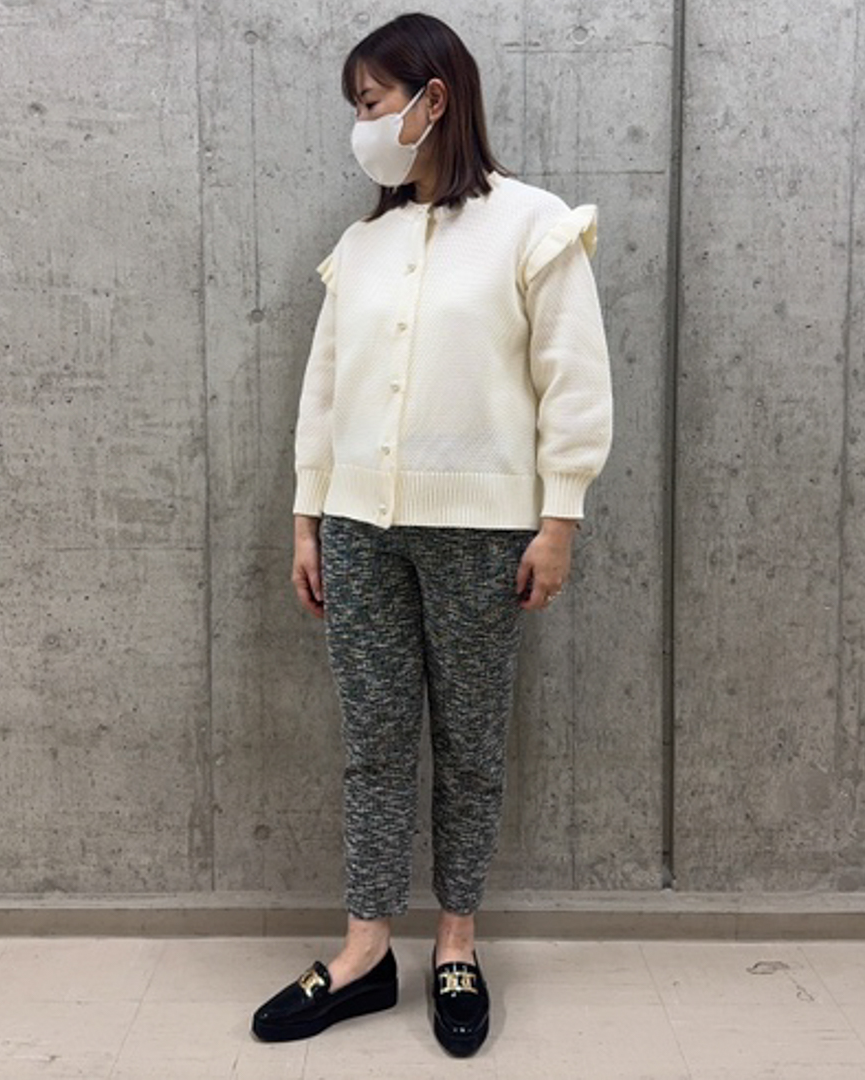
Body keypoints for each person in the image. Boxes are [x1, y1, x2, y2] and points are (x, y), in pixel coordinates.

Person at [251, 10, 612, 1058]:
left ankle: (456, 943)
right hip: (358, 530)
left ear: (432, 100)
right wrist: (308, 517)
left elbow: (574, 381)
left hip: (482, 537)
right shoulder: (360, 247)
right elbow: (324, 392)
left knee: (470, 746)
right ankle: (365, 951)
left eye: (372, 103)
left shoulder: (533, 226)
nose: (362, 125)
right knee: (373, 743)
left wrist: (559, 519)